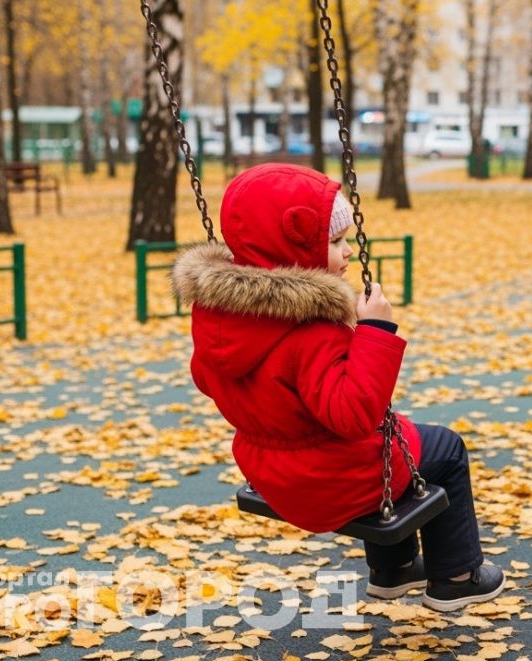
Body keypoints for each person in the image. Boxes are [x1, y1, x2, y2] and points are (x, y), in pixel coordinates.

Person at [172, 163, 504, 612]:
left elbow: (205, 378)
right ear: (291, 246)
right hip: (328, 478)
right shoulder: (309, 329)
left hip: (271, 473)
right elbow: (352, 416)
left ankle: (394, 571)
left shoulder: (218, 316)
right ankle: (457, 577)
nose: (347, 252)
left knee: (401, 437)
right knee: (444, 447)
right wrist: (376, 333)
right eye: (334, 242)